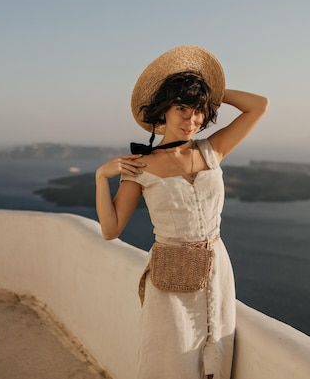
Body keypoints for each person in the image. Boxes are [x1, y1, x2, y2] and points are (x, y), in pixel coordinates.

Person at [95, 46, 268, 379]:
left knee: (216, 357)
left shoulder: (212, 149)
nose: (192, 120)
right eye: (182, 108)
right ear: (164, 110)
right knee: (170, 361)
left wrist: (211, 91)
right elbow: (110, 229)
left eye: (199, 111)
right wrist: (101, 177)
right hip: (170, 275)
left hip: (217, 267)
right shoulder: (139, 166)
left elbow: (259, 106)